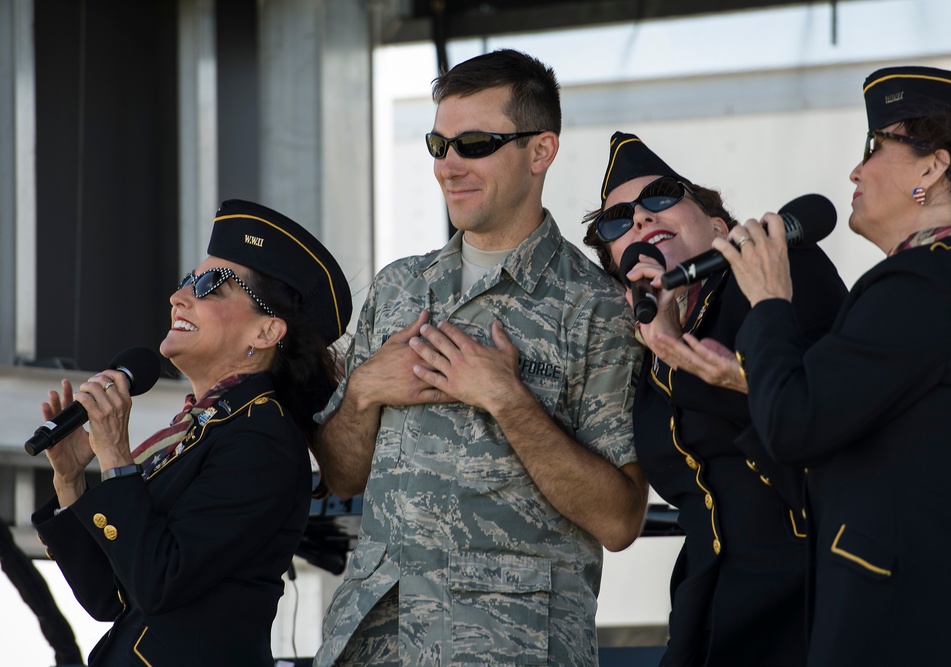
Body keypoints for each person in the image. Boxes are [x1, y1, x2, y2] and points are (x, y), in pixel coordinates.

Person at [312, 49, 647, 667]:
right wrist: (362, 391)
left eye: (473, 143)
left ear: (540, 151)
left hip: (509, 647)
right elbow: (340, 478)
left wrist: (508, 400)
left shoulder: (596, 307)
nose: (448, 167)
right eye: (438, 145)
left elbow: (620, 518)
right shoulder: (398, 289)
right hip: (374, 639)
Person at [710, 66, 951, 666]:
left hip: (901, 634)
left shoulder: (924, 282)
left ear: (931, 167)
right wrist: (741, 377)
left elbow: (796, 425)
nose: (855, 171)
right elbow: (849, 462)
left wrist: (767, 301)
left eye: (875, 147)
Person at [31, 199, 353, 666]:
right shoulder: (207, 428)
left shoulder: (261, 438)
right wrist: (70, 480)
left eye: (211, 285)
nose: (179, 297)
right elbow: (110, 597)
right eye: (187, 281)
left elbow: (160, 581)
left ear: (265, 332)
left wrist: (118, 458)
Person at [582, 132, 847, 666]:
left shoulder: (780, 273)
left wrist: (677, 349)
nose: (638, 218)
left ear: (720, 227)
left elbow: (821, 420)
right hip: (706, 608)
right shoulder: (638, 344)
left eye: (660, 195)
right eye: (615, 222)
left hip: (811, 593)